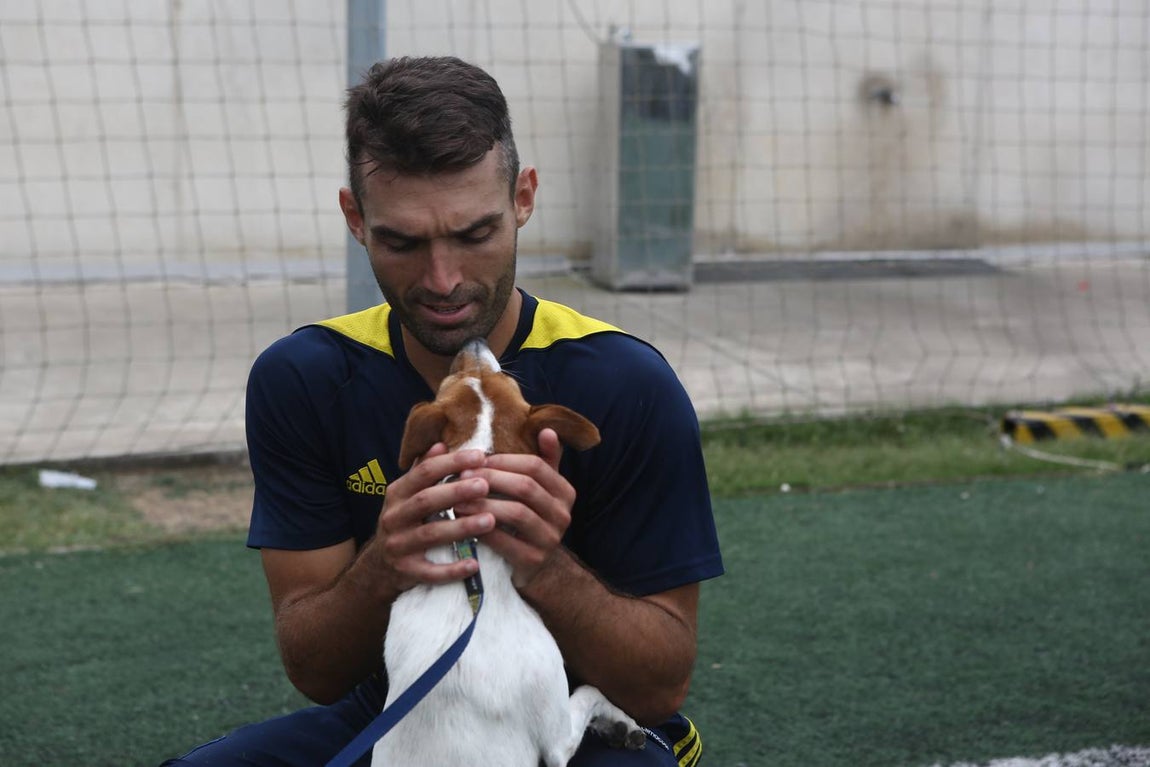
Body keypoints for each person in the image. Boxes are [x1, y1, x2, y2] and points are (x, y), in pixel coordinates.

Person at [162, 55, 724, 767]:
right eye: (402, 242)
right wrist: (385, 561)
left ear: (523, 198)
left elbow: (658, 685)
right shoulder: (304, 377)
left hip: (581, 719)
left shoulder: (626, 381)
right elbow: (318, 672)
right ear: (355, 219)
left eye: (474, 233)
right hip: (407, 708)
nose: (443, 279)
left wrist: (542, 562)